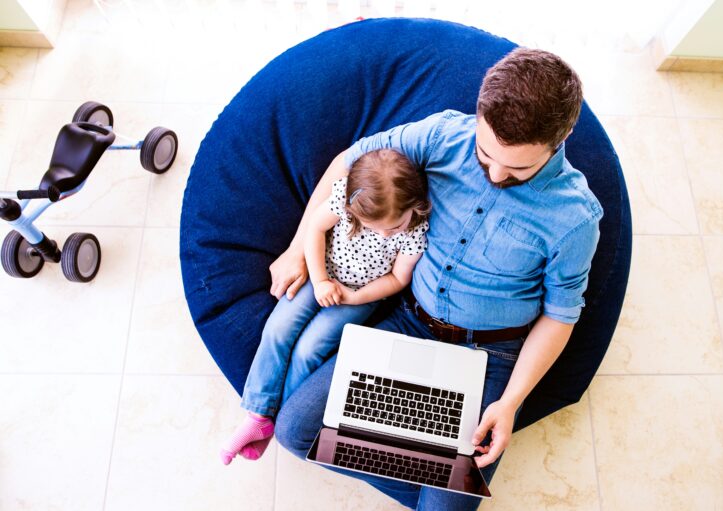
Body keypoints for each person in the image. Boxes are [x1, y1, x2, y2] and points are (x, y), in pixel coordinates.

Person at [270, 47, 603, 510]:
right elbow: (350, 162)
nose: (496, 174)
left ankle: (437, 487)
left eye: (518, 168)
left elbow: (560, 315)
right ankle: (431, 479)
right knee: (295, 431)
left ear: (562, 137)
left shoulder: (576, 217)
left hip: (491, 355)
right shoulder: (443, 135)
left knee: (445, 502)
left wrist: (509, 404)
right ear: (479, 113)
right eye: (485, 154)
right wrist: (296, 248)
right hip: (410, 323)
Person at [220, 148, 431, 465]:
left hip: (361, 295)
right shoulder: (345, 199)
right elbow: (315, 230)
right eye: (375, 227)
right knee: (278, 330)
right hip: (322, 273)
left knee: (310, 349)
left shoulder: (414, 230)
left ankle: (280, 416)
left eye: (393, 227)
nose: (384, 234)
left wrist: (355, 297)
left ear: (414, 206)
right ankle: (258, 414)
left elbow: (398, 278)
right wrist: (319, 280)